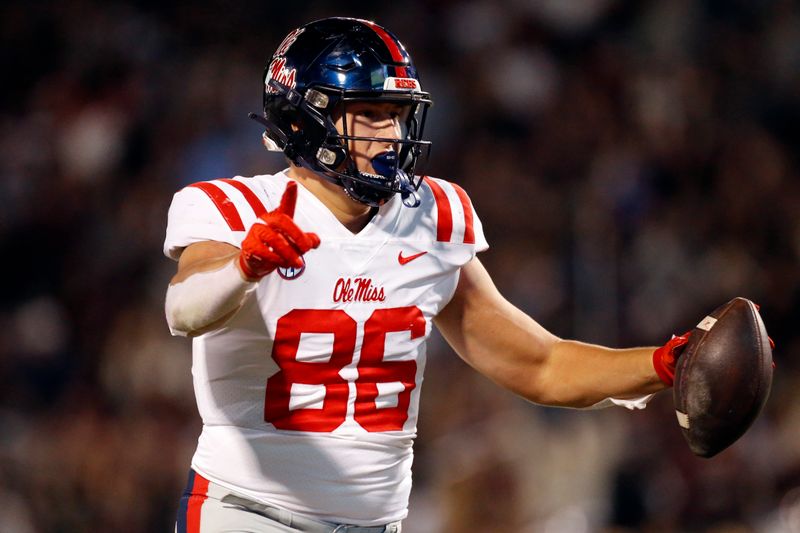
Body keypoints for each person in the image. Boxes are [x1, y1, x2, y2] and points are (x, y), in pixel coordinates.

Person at [163, 17, 687, 533]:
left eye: (396, 115)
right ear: (301, 120)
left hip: (379, 524)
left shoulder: (432, 217)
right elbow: (183, 310)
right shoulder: (234, 208)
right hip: (248, 513)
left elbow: (541, 365)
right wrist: (242, 267)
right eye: (367, 114)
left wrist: (662, 365)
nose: (390, 134)